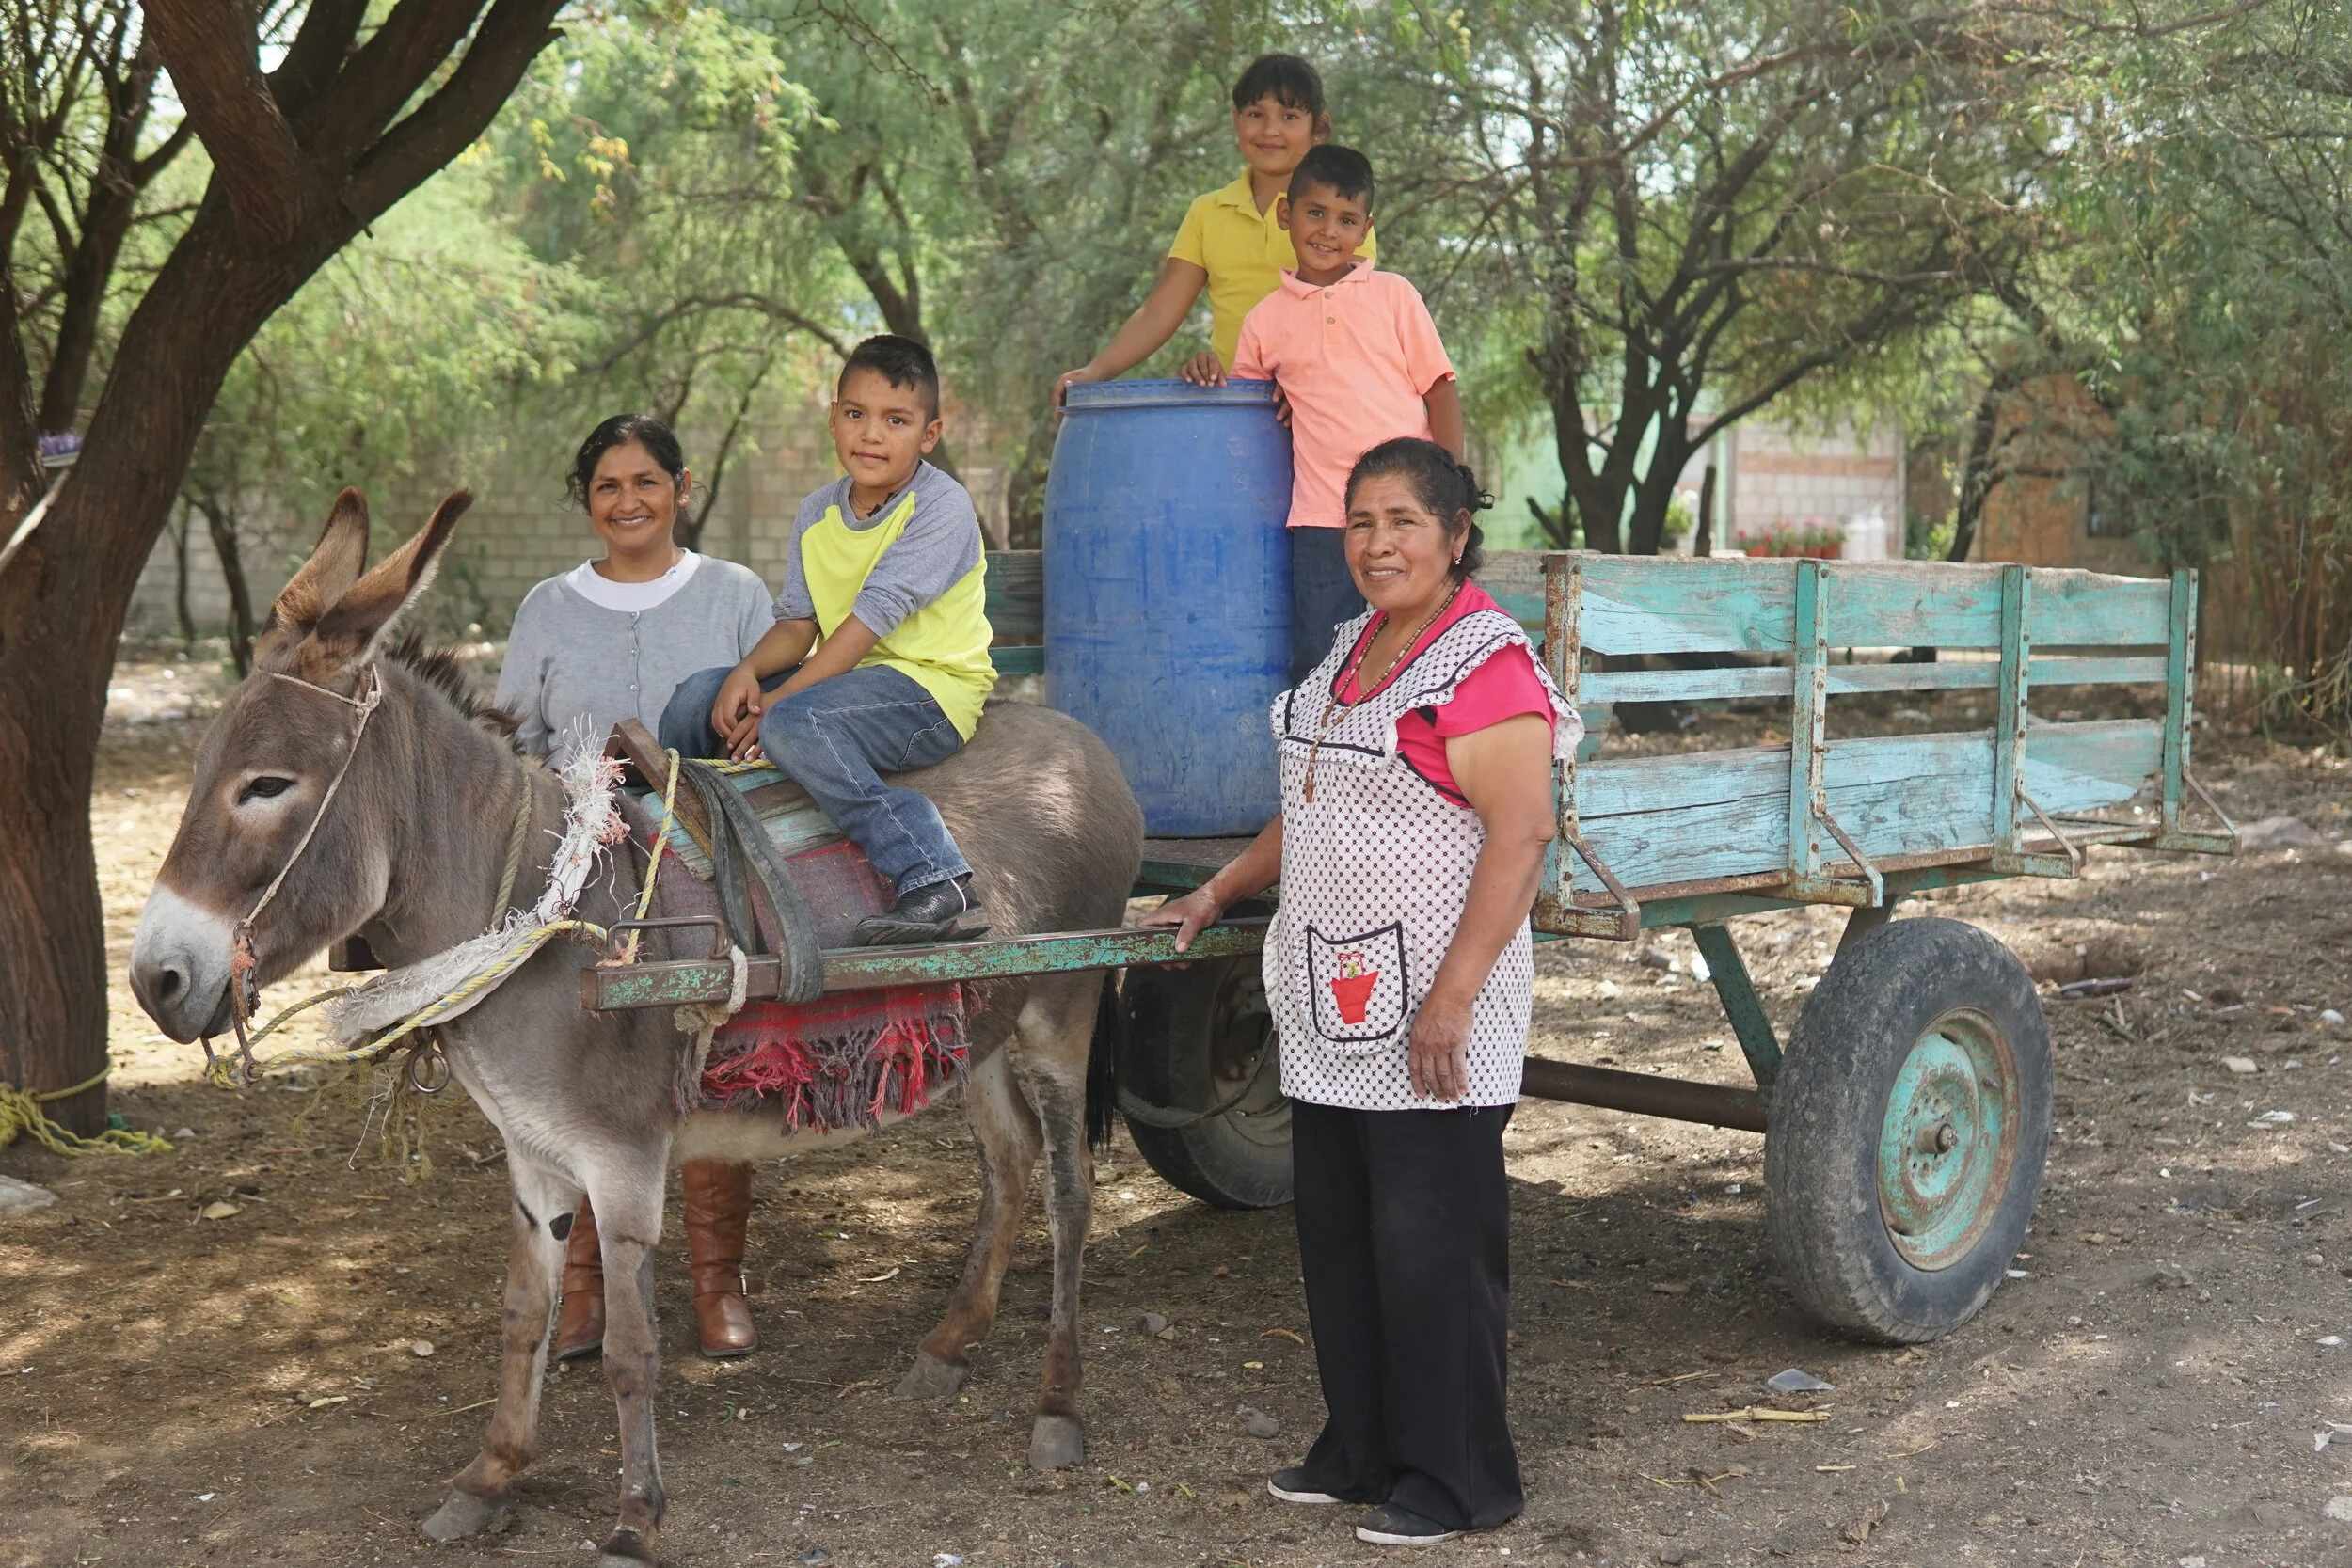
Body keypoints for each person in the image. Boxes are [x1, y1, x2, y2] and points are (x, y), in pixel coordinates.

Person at [1144, 439, 1576, 1547]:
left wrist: (1454, 998)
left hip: (1436, 1007)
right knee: (1343, 1236)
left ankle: (1462, 1479)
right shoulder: (1352, 648)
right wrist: (1219, 889)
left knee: (1434, 1245)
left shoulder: (1482, 661)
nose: (1378, 544)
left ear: (1455, 536)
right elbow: (1316, 798)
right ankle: (1363, 1449)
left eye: (1404, 522)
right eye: (1360, 522)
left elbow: (1522, 830)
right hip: (1336, 1000)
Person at [494, 413, 772, 1362]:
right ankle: (585, 1288)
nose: (627, 501)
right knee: (575, 1073)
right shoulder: (547, 605)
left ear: (681, 488)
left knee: (710, 1056)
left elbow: (762, 715)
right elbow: (514, 745)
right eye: (608, 486)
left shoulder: (735, 592)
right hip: (579, 861)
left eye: (645, 481)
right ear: (588, 501)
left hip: (701, 856)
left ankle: (714, 1281)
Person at [660, 334, 996, 945]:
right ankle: (669, 845)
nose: (872, 434)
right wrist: (746, 673)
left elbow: (863, 628)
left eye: (896, 420)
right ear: (833, 418)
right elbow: (798, 626)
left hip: (929, 690)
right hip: (847, 682)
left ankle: (933, 872)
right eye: (856, 414)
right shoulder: (818, 511)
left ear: (928, 434)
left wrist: (776, 707)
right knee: (695, 697)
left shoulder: (940, 506)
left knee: (793, 724)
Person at [1230, 144, 1463, 684]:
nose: (1328, 231)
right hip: (1321, 520)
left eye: (1346, 219)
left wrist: (1453, 491)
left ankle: (1411, 763)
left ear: (1365, 230)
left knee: (1422, 651)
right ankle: (1322, 764)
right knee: (1323, 661)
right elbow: (1245, 414)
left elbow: (1440, 390)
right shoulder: (1264, 321)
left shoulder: (1394, 296)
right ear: (1286, 214)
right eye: (1315, 213)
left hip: (1411, 512)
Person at [1051, 54, 1375, 402]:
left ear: (1318, 129)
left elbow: (1347, 314)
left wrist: (1300, 379)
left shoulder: (1340, 219)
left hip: (1318, 399)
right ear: (1236, 120)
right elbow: (1160, 312)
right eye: (1255, 114)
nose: (1270, 130)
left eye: (1290, 116)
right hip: (1235, 405)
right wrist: (1095, 372)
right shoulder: (1208, 212)